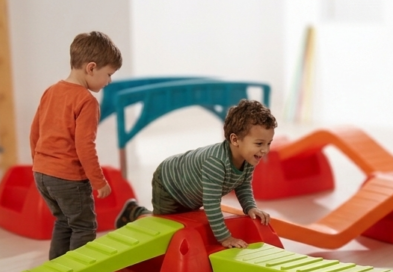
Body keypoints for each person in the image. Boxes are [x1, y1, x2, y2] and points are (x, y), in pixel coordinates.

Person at [114, 99, 276, 248]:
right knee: (162, 224)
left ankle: (138, 210)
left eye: (269, 143)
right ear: (235, 140)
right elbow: (211, 203)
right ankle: (134, 211)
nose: (265, 150)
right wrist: (225, 238)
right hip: (169, 183)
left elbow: (243, 186)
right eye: (259, 143)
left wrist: (250, 208)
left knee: (181, 220)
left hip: (191, 194)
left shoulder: (248, 159)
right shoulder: (216, 162)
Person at [30, 31, 121, 272]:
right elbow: (84, 147)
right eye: (108, 74)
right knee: (83, 226)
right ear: (91, 68)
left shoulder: (51, 91)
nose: (109, 81)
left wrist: (39, 164)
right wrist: (98, 181)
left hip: (43, 174)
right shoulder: (85, 101)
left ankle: (57, 269)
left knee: (64, 221)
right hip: (68, 178)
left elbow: (35, 132)